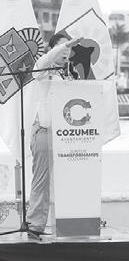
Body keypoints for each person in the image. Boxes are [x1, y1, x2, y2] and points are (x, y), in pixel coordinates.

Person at [27, 33, 82, 235]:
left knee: (68, 179)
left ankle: (69, 223)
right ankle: (35, 225)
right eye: (62, 47)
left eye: (69, 48)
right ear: (52, 49)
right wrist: (64, 45)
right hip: (44, 129)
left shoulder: (71, 73)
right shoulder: (43, 70)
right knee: (41, 179)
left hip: (67, 134)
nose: (66, 51)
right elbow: (44, 61)